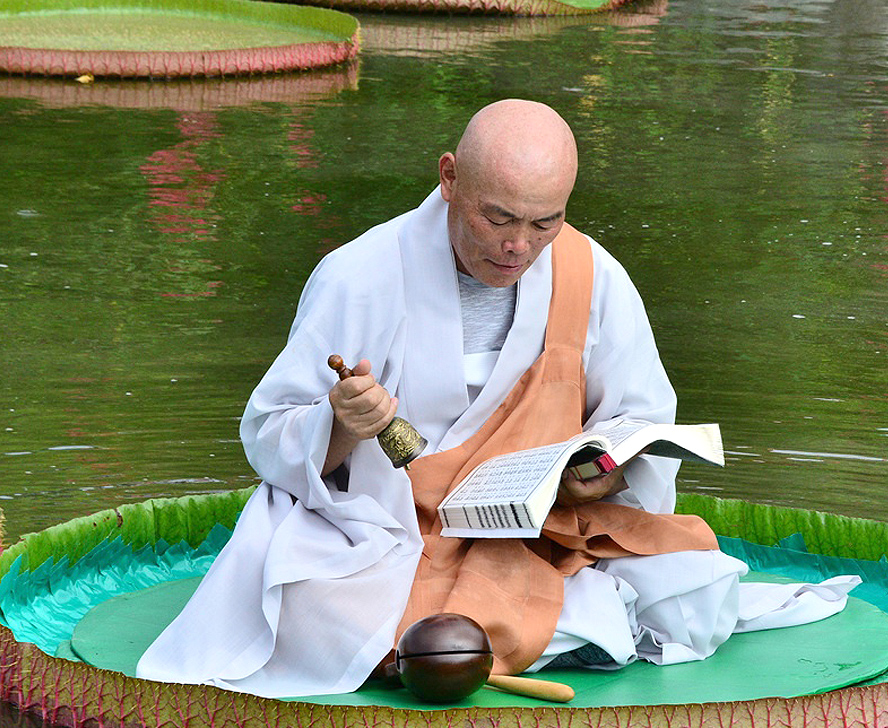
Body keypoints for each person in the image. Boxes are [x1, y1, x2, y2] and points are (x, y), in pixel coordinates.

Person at [137, 100, 853, 697]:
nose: (518, 246)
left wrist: (601, 472)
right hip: (383, 528)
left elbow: (638, 417)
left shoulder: (591, 272)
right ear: (449, 179)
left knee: (696, 585)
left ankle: (452, 646)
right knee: (297, 599)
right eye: (498, 218)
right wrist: (340, 426)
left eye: (545, 223)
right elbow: (267, 431)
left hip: (532, 529)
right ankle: (495, 641)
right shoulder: (359, 275)